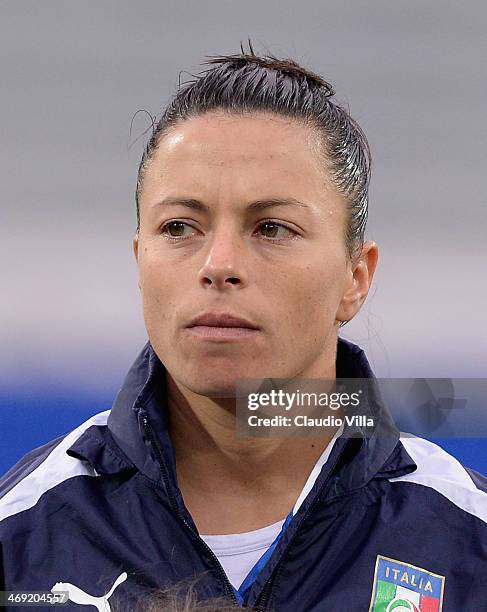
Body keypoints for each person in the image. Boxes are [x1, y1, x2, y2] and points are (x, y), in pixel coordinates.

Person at [1, 41, 486, 612]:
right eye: (180, 227)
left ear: (356, 276)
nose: (219, 265)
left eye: (273, 228)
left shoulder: (466, 542)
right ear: (139, 260)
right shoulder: (22, 533)